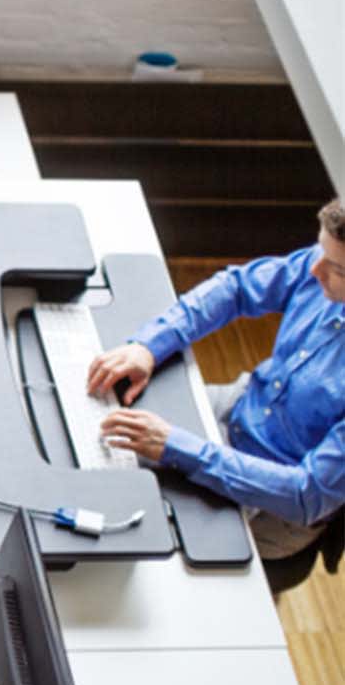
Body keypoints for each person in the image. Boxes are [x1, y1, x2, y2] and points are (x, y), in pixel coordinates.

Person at [89, 198, 345, 560]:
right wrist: (149, 346)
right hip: (240, 407)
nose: (315, 269)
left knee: (129, 525)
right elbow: (236, 288)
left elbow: (305, 494)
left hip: (271, 495)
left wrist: (176, 447)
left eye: (337, 269)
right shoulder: (323, 263)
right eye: (320, 251)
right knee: (98, 432)